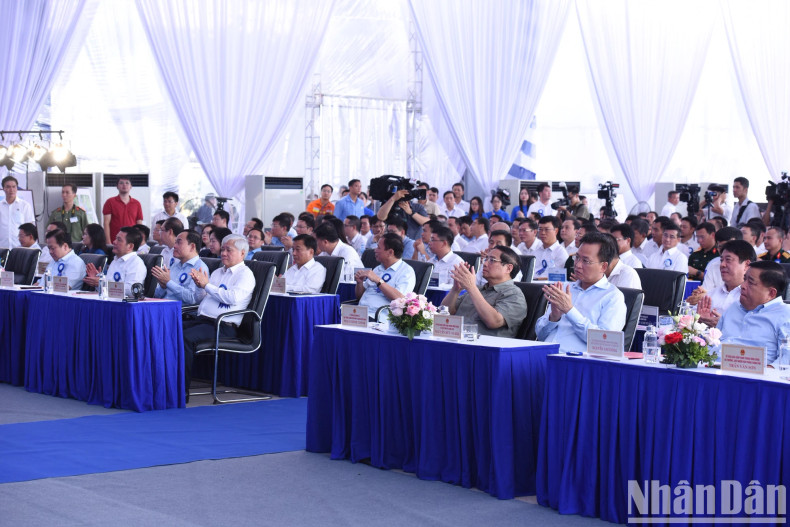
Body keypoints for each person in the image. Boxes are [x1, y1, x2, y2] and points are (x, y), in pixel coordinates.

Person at [182, 234, 256, 391]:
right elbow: (207, 296)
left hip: (223, 326)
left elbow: (232, 298)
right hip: (203, 320)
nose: (223, 253)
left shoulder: (245, 274)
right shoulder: (218, 272)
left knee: (184, 338)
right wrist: (200, 285)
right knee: (169, 329)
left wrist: (206, 285)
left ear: (242, 253)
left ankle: (180, 389)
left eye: (229, 250)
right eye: (222, 249)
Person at [535, 232, 627, 353]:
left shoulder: (613, 296)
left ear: (603, 266)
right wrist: (554, 317)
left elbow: (605, 343)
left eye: (586, 261)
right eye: (577, 257)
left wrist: (569, 310)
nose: (577, 265)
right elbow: (540, 335)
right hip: (543, 354)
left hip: (576, 362)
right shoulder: (564, 288)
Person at [716, 260, 790, 366]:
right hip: (715, 370)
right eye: (744, 279)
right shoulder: (734, 307)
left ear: (771, 293)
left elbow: (786, 361)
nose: (742, 286)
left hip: (757, 378)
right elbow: (713, 343)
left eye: (750, 282)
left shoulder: (785, 314)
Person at [440, 246, 526, 338]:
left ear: (508, 268)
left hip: (485, 347)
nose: (485, 264)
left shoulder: (514, 295)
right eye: (485, 259)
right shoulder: (478, 290)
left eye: (492, 260)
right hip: (456, 340)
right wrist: (455, 290)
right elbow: (445, 313)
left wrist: (472, 288)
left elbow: (493, 321)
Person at [695, 240, 755, 327]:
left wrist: (726, 325)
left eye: (728, 260)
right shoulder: (710, 295)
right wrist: (700, 322)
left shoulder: (754, 297)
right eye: (721, 260)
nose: (722, 265)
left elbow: (756, 329)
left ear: (746, 265)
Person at [355, 232, 416, 312]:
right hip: (361, 313)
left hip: (379, 316)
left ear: (390, 252)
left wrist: (378, 281)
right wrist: (359, 283)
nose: (375, 250)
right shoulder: (378, 268)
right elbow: (360, 297)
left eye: (378, 248)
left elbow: (400, 298)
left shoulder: (406, 271)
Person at [85, 226, 147, 295]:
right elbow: (107, 289)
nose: (114, 242)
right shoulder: (115, 260)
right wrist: (98, 281)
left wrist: (103, 283)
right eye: (115, 238)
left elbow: (132, 290)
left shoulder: (136, 264)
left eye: (119, 240)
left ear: (130, 246)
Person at [152, 229, 209, 305]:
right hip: (163, 306)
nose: (174, 246)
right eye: (175, 242)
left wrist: (169, 282)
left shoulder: (200, 268)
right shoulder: (175, 264)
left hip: (181, 312)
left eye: (179, 242)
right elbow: (157, 296)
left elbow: (193, 299)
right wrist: (163, 287)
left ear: (192, 247)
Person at [102, 176, 143, 242]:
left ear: (131, 186)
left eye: (127, 183)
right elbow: (106, 223)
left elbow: (139, 224)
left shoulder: (137, 203)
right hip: (115, 241)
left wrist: (140, 241)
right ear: (117, 186)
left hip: (132, 241)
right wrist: (108, 241)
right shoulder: (110, 202)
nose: (124, 185)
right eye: (121, 183)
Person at [1, 175, 35, 248]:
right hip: (2, 247)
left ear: (17, 188)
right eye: (8, 187)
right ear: (3, 188)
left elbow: (29, 228)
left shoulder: (25, 205)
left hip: (19, 248)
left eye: (14, 186)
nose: (11, 189)